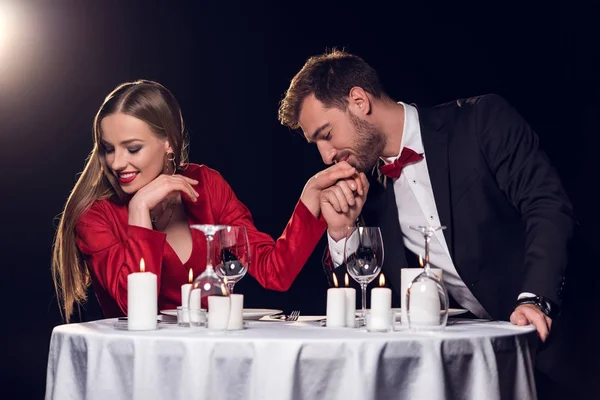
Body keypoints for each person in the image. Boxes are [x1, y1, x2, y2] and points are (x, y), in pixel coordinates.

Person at [278, 50, 575, 345]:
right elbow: (365, 312)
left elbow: (546, 204)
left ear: (359, 101)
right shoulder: (367, 193)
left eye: (326, 134)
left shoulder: (481, 120)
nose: (326, 155)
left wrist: (536, 299)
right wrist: (342, 233)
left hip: (569, 339)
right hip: (480, 355)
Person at [51, 79, 362, 322]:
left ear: (168, 144)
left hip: (211, 356)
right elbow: (136, 310)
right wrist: (139, 210)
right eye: (108, 149)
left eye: (132, 149)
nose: (117, 163)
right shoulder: (95, 216)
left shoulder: (206, 185)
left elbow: (274, 273)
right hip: (141, 364)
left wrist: (309, 199)